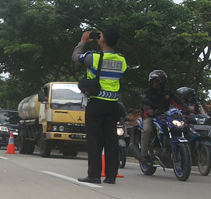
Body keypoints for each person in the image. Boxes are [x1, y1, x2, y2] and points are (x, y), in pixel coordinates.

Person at [72, 27, 127, 184]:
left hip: (96, 102)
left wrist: (83, 42)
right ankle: (111, 176)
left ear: (102, 40)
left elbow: (75, 57)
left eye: (101, 36)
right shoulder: (122, 60)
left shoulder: (94, 57)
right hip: (113, 104)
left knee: (94, 139)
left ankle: (94, 175)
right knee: (111, 140)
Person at [140, 70, 182, 162]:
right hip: (150, 116)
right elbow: (145, 102)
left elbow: (177, 102)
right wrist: (148, 110)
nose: (156, 83)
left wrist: (186, 109)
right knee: (147, 130)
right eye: (154, 81)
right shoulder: (147, 92)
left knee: (180, 127)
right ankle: (144, 154)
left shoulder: (167, 93)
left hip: (165, 116)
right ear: (151, 82)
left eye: (159, 81)